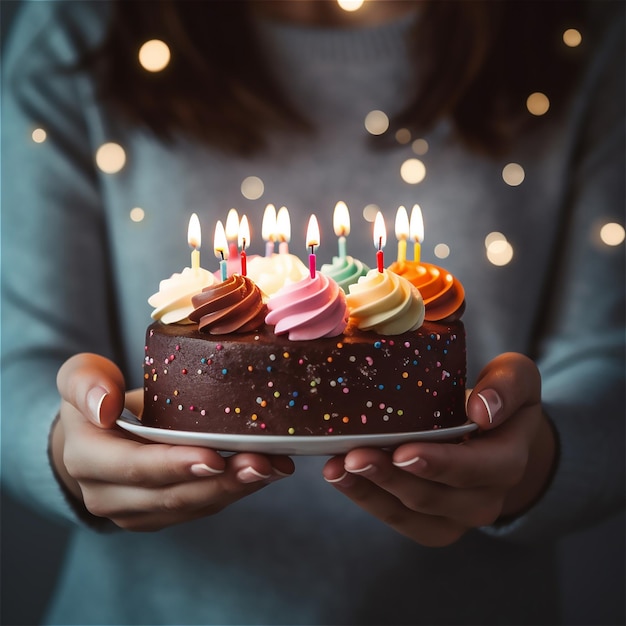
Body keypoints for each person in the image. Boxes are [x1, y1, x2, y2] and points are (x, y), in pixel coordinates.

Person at [2, 1, 624, 624]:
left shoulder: (571, 27)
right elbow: (16, 355)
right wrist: (64, 447)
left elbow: (612, 353)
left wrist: (538, 464)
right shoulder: (84, 24)